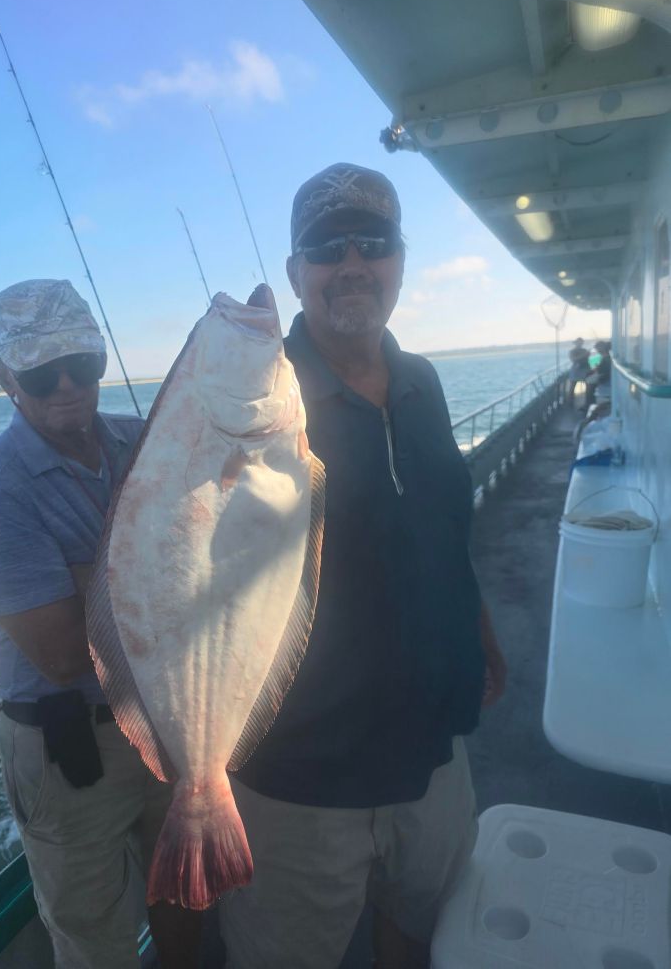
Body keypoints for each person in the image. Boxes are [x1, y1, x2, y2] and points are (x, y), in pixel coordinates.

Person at [219, 163, 507, 969]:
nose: (352, 263)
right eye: (325, 247)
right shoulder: (253, 400)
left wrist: (479, 631)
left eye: (373, 243)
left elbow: (445, 523)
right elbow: (193, 564)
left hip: (434, 748)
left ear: (401, 259)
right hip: (301, 774)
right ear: (294, 272)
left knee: (420, 933)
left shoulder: (423, 380)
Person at [0, 280, 201, 969]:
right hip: (69, 750)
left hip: (168, 717)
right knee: (94, 938)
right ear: (3, 375)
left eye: (83, 365)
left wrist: (81, 574)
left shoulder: (144, 440)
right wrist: (156, 560)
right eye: (39, 371)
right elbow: (63, 652)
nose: (67, 386)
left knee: (184, 893)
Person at [584, 339, 612, 408]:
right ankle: (590, 403)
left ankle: (589, 403)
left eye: (597, 347)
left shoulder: (606, 358)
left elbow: (603, 370)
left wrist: (596, 370)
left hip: (605, 377)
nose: (596, 349)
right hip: (605, 375)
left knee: (589, 382)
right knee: (589, 380)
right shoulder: (604, 356)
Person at [567, 337, 590, 406]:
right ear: (576, 343)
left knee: (588, 386)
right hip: (576, 370)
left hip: (585, 369)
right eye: (579, 342)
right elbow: (573, 359)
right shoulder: (572, 351)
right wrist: (584, 355)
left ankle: (587, 402)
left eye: (581, 342)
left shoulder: (585, 350)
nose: (580, 343)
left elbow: (588, 359)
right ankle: (570, 403)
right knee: (572, 387)